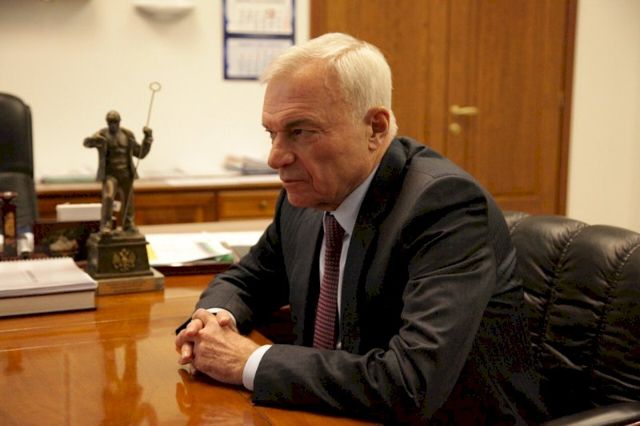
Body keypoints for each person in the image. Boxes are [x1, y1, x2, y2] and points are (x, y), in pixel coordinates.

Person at [175, 33, 548, 424]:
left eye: (300, 131)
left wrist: (250, 361)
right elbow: (250, 278)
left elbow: (411, 383)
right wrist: (214, 320)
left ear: (375, 128)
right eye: (272, 133)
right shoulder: (307, 197)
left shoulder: (444, 207)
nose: (275, 157)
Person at [84, 111, 152, 234]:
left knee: (128, 200)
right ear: (107, 122)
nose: (112, 124)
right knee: (108, 196)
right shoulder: (102, 134)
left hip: (126, 173)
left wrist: (147, 138)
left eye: (115, 122)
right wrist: (94, 139)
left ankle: (128, 224)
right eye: (110, 122)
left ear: (119, 122)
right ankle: (106, 225)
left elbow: (140, 153)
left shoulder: (127, 135)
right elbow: (86, 143)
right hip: (110, 175)